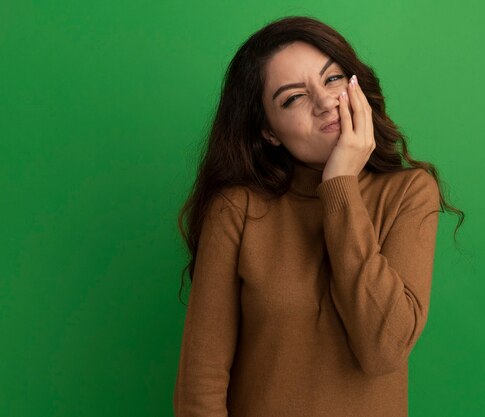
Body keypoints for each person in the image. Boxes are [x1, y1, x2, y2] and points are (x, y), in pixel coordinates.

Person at [173, 15, 464, 417]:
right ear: (269, 131)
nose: (325, 101)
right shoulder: (238, 209)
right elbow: (199, 384)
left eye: (332, 79)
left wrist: (340, 184)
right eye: (293, 98)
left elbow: (384, 350)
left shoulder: (408, 193)